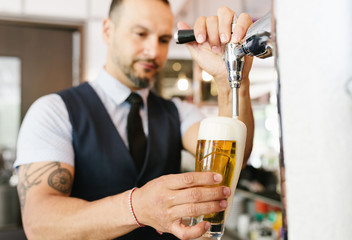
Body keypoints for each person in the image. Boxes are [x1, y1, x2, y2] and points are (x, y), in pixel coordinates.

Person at [14, 0, 254, 239]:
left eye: (163, 40)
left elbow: (235, 157)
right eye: (140, 34)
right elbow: (40, 224)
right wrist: (136, 207)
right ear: (108, 30)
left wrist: (230, 83)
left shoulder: (177, 112)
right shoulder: (54, 111)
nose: (153, 51)